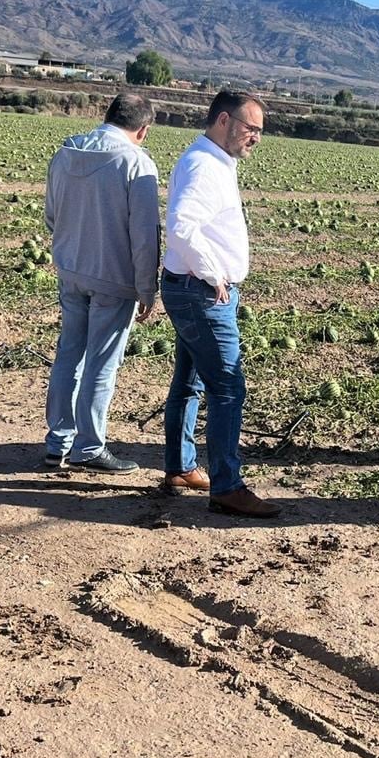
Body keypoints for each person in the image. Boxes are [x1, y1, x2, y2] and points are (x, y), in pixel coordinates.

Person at [161, 90, 280, 518]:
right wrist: (214, 274)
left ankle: (180, 467)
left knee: (190, 379)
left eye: (260, 131)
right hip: (201, 292)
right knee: (228, 387)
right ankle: (228, 486)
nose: (257, 138)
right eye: (252, 129)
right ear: (224, 121)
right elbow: (181, 227)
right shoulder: (203, 166)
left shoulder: (212, 160)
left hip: (191, 287)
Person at [43, 92, 162, 473]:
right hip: (113, 278)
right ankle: (89, 446)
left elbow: (51, 215)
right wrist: (147, 288)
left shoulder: (66, 151)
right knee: (101, 364)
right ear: (142, 130)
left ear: (106, 116)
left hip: (70, 270)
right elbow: (145, 235)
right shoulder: (135, 163)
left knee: (69, 354)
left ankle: (57, 442)